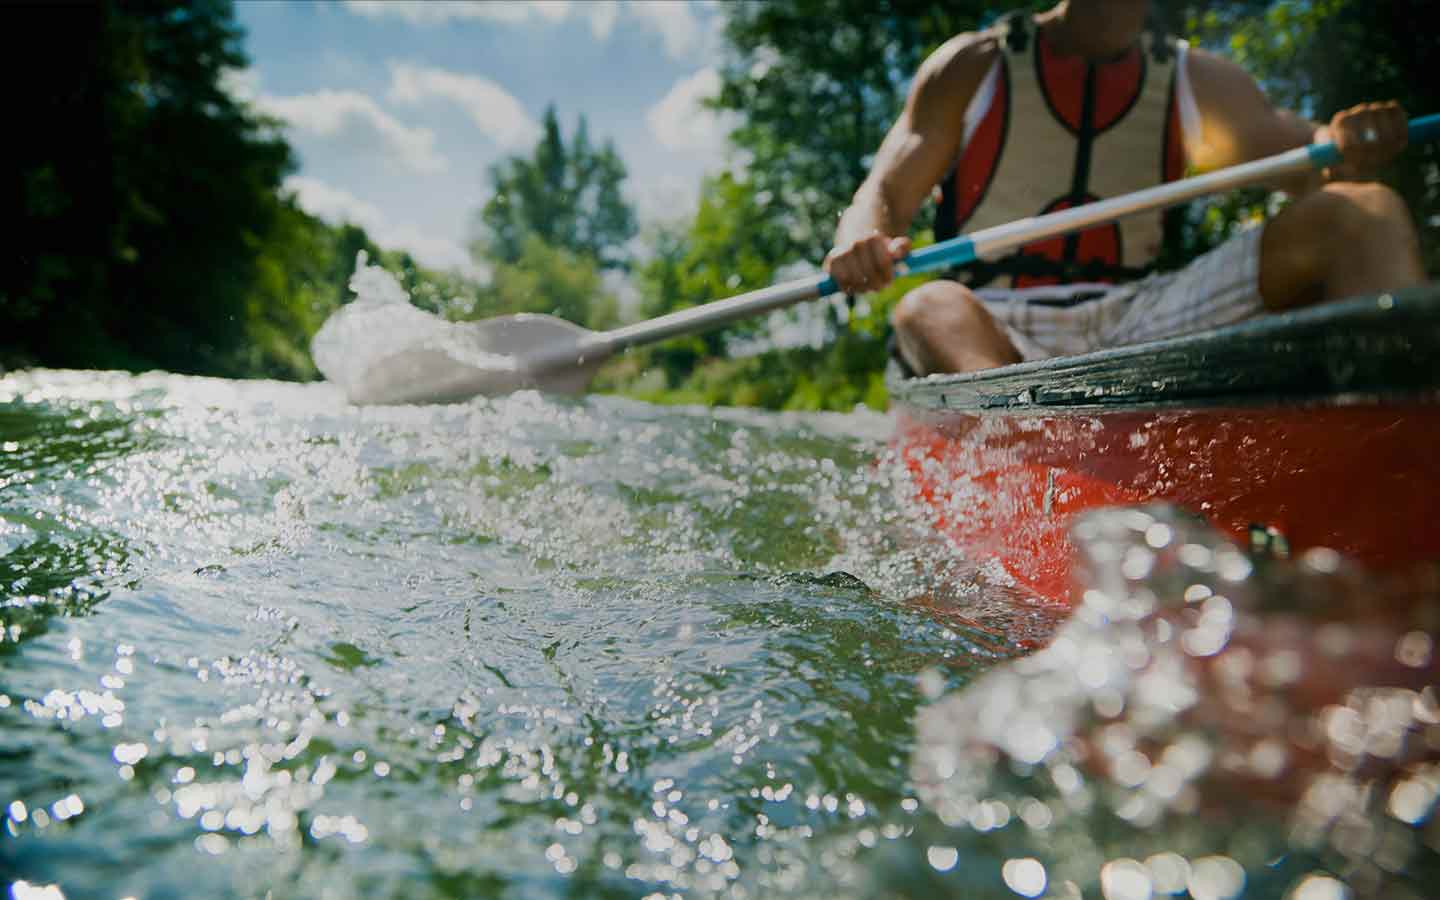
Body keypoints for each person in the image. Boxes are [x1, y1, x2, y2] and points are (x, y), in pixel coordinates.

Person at [824, 0, 1425, 376]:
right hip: (994, 318)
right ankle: (1023, 466)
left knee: (1361, 212)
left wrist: (1344, 144)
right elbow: (884, 195)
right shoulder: (971, 66)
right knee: (927, 307)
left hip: (1140, 313)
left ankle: (1404, 432)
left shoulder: (1197, 78)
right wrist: (860, 239)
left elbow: (1313, 162)